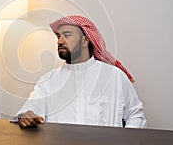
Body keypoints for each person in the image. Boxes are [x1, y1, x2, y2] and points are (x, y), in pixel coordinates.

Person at [16, 15, 146, 128]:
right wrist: (27, 116)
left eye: (67, 35)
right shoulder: (48, 81)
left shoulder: (115, 77)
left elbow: (136, 115)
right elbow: (30, 110)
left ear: (85, 40)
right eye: (58, 36)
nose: (60, 41)